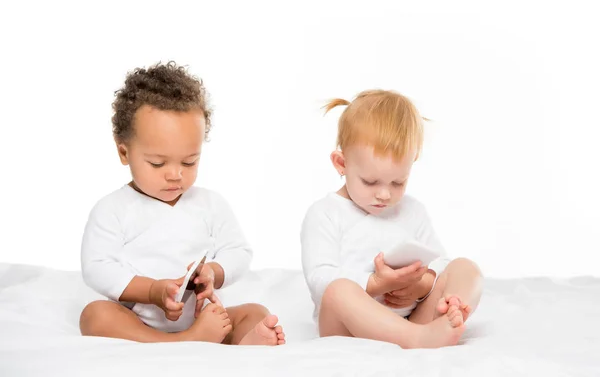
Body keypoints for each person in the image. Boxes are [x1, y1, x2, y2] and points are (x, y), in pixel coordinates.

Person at [79, 62, 285, 345]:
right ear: (124, 151)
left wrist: (213, 272)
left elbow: (239, 251)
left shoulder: (210, 204)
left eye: (190, 161)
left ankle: (231, 340)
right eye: (157, 163)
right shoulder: (113, 209)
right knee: (95, 315)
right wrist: (152, 291)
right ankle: (177, 343)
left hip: (203, 317)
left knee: (256, 313)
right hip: (138, 320)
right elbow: (97, 267)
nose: (175, 174)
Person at [301, 90, 482, 348]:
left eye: (398, 182)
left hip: (412, 318)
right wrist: (374, 284)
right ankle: (418, 339)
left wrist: (423, 285)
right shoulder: (325, 213)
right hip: (346, 330)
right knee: (338, 290)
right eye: (370, 181)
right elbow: (319, 279)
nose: (384, 194)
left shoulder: (412, 211)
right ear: (341, 163)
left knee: (466, 268)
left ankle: (447, 313)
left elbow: (441, 261)